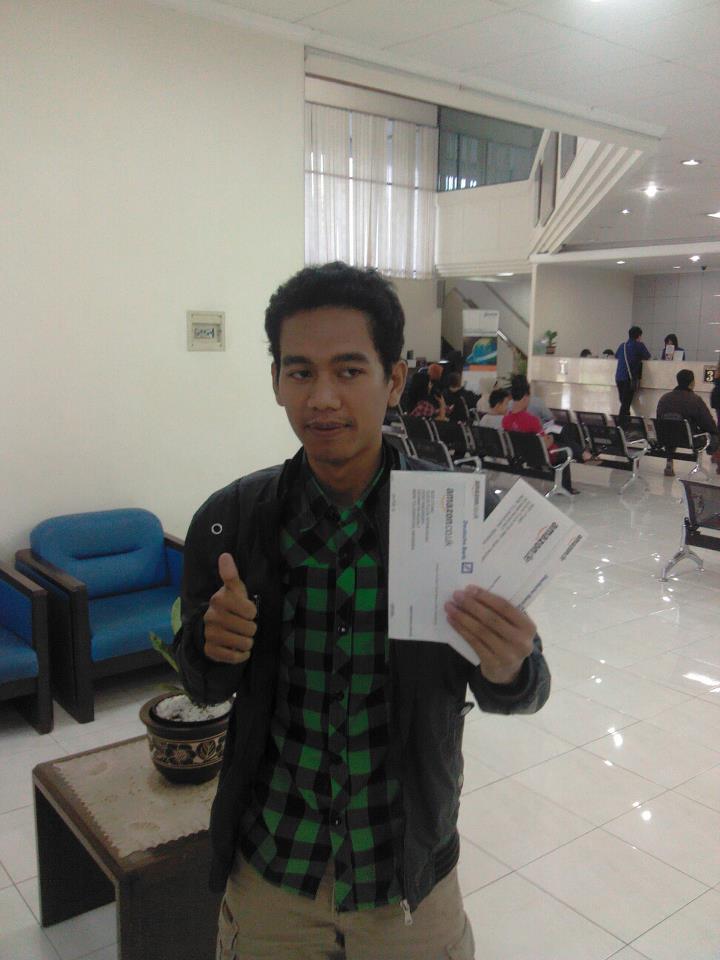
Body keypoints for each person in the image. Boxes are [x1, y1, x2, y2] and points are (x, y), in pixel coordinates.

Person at [174, 262, 551, 960]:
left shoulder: (459, 522)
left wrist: (510, 665)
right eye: (300, 372)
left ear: (395, 380)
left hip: (407, 884)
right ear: (276, 380)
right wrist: (210, 646)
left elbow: (526, 686)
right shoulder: (232, 521)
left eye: (350, 371)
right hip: (273, 874)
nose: (322, 398)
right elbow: (202, 686)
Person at [502, 375, 587, 493]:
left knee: (562, 442)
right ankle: (566, 485)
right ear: (525, 397)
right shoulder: (531, 420)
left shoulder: (506, 420)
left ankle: (582, 454)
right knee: (566, 448)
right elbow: (545, 444)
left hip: (521, 454)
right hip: (540, 455)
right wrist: (551, 438)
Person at [656, 368, 719, 476]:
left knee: (671, 428)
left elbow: (659, 420)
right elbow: (708, 423)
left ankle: (669, 461)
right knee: (714, 435)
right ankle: (716, 463)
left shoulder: (664, 398)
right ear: (692, 383)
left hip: (666, 437)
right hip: (689, 440)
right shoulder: (695, 400)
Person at [615, 326, 651, 422]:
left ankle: (626, 422)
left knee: (624, 402)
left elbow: (616, 356)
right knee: (625, 404)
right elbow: (647, 356)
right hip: (629, 378)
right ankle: (622, 424)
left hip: (619, 377)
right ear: (639, 336)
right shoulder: (639, 345)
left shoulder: (622, 346)